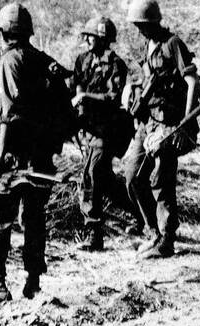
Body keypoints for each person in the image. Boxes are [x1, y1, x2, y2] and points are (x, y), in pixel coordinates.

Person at [0, 4, 61, 306]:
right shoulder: (43, 60)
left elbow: (9, 114)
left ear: (3, 33)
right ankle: (33, 283)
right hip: (41, 156)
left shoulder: (9, 60)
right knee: (35, 218)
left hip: (14, 156)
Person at [123, 0, 200, 258]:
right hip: (148, 123)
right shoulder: (149, 46)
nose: (140, 30)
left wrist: (187, 120)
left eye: (143, 25)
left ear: (153, 22)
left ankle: (166, 239)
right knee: (133, 176)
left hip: (169, 124)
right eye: (138, 26)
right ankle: (153, 232)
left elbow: (192, 81)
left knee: (161, 180)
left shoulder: (172, 44)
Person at [71, 15, 133, 251]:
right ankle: (141, 212)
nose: (86, 40)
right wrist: (79, 100)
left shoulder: (116, 65)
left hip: (107, 130)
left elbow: (113, 97)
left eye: (91, 37)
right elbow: (76, 83)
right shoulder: (83, 60)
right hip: (88, 129)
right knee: (106, 181)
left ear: (102, 39)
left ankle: (93, 234)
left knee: (92, 174)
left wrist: (86, 97)